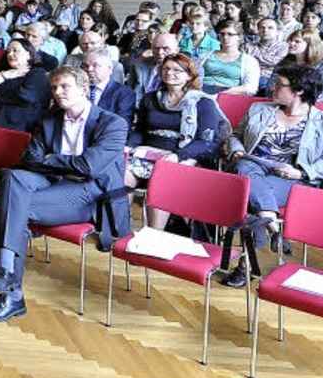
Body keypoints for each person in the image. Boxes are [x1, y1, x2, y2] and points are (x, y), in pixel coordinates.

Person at [0, 66, 132, 322]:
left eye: (64, 86)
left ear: (83, 89)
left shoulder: (112, 123)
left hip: (90, 193)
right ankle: (5, 274)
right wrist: (63, 162)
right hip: (53, 183)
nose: (57, 92)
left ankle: (10, 290)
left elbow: (89, 167)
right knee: (12, 176)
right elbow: (30, 159)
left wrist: (51, 159)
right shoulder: (49, 118)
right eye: (54, 87)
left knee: (14, 206)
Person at [222, 65, 323, 286]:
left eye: (279, 84)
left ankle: (247, 264)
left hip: (291, 179)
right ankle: (273, 227)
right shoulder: (259, 109)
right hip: (251, 166)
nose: (272, 88)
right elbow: (235, 135)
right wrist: (236, 149)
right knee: (245, 166)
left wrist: (300, 171)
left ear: (298, 90)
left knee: (248, 192)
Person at [125, 55, 223, 229]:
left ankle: (155, 235)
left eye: (177, 70)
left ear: (189, 75)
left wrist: (178, 156)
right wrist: (129, 146)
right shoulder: (150, 98)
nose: (170, 73)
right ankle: (120, 228)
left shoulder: (203, 103)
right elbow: (140, 130)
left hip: (186, 155)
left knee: (163, 173)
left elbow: (206, 142)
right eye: (166, 69)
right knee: (122, 170)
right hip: (149, 152)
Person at [0, 40, 50, 131]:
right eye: (8, 51)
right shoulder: (3, 72)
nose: (10, 54)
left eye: (15, 50)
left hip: (13, 124)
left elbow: (25, 96)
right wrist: (4, 75)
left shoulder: (37, 73)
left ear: (28, 54)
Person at [197, 21, 260, 95]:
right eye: (222, 34)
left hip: (229, 95)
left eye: (230, 34)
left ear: (239, 37)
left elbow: (251, 88)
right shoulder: (205, 55)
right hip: (202, 90)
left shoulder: (249, 61)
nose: (225, 37)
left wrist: (221, 92)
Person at [83, 48, 136, 127]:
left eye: (95, 65)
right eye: (86, 66)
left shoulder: (124, 93)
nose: (89, 69)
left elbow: (122, 125)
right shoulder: (76, 89)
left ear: (110, 69)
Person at [280, 28, 323, 103]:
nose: (291, 43)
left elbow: (321, 93)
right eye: (290, 40)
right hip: (282, 101)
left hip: (309, 105)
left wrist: (295, 101)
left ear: (310, 44)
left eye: (297, 41)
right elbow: (271, 87)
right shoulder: (284, 62)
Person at [129, 31, 180, 100]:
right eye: (156, 48)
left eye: (166, 49)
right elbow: (129, 91)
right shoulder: (138, 66)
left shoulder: (184, 71)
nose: (160, 52)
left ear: (176, 50)